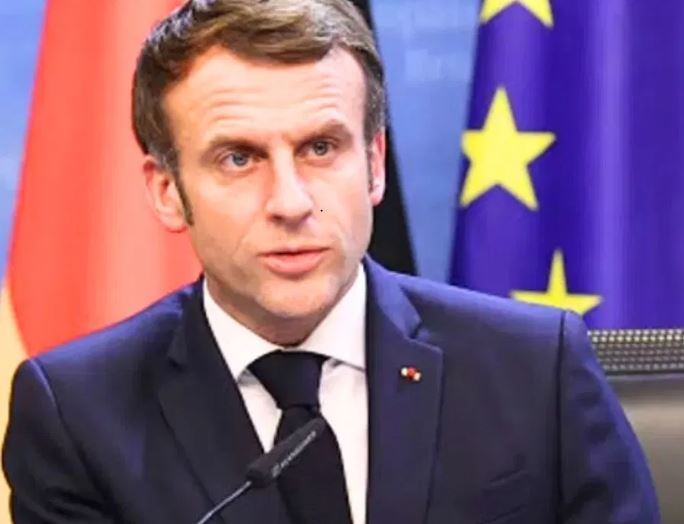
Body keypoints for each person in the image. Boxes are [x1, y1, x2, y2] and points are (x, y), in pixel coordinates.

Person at [2, 0, 659, 523]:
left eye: (320, 148)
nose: (291, 202)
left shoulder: (532, 369)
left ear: (373, 164)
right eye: (239, 158)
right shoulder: (77, 415)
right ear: (167, 191)